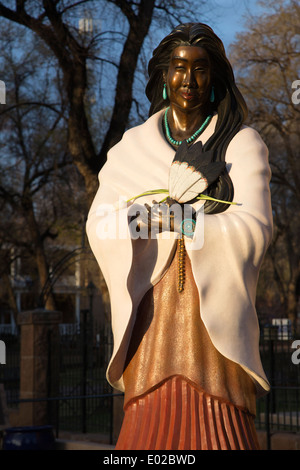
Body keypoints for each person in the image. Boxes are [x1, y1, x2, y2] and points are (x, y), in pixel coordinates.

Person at [86, 23, 273, 450]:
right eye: (179, 67)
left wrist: (187, 223)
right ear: (163, 75)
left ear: (216, 78)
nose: (188, 80)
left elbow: (256, 229)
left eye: (201, 69)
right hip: (152, 319)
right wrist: (143, 220)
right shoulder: (131, 148)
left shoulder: (240, 144)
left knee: (218, 432)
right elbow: (99, 225)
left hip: (212, 327)